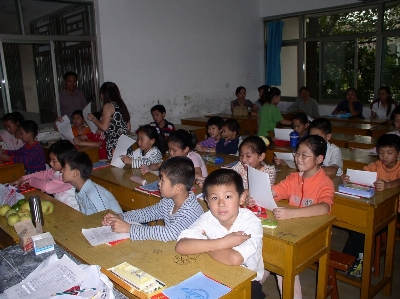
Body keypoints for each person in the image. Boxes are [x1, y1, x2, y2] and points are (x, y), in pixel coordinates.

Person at [176, 169, 265, 299]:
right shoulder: (207, 218)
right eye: (214, 198)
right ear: (206, 200)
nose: (221, 204)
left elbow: (235, 259)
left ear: (241, 198)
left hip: (248, 282)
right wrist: (223, 242)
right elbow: (181, 246)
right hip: (214, 274)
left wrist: (204, 244)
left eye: (228, 197)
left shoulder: (251, 222)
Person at [272, 135, 334, 299]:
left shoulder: (325, 183)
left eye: (304, 155)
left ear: (319, 159)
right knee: (264, 250)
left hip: (315, 237)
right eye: (297, 154)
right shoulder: (293, 178)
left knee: (281, 260)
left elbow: (324, 207)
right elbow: (275, 191)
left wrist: (291, 213)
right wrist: (253, 194)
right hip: (292, 233)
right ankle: (254, 285)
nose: (298, 159)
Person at [101, 157, 204, 241]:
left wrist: (129, 228)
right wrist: (120, 217)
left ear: (178, 188)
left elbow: (168, 233)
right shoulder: (169, 201)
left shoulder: (190, 210)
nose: (158, 183)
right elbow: (147, 213)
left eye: (162, 180)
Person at [341, 133, 400, 278]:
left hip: (393, 212)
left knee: (361, 227)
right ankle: (356, 259)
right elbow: (362, 175)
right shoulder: (376, 165)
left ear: (398, 153)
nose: (384, 157)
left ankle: (360, 260)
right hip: (374, 207)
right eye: (380, 152)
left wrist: (389, 185)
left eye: (389, 153)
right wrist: (347, 178)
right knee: (357, 224)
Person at [10, 140, 79, 210]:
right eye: (50, 160)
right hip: (60, 205)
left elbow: (47, 187)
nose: (50, 163)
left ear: (66, 161)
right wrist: (22, 179)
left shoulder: (70, 177)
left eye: (54, 161)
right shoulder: (56, 171)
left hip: (73, 210)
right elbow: (42, 174)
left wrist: (31, 180)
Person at [87, 82, 131, 160]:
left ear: (104, 94)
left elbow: (104, 127)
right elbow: (128, 128)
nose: (100, 97)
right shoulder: (121, 105)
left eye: (100, 94)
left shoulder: (108, 106)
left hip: (114, 145)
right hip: (125, 143)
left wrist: (93, 119)